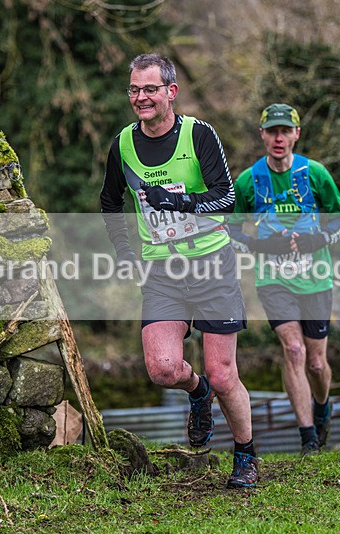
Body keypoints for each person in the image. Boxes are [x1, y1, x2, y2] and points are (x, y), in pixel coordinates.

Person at [100, 53, 257, 488]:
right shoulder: (123, 144)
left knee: (225, 374)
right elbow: (110, 202)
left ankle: (244, 456)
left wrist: (181, 201)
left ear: (171, 91)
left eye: (150, 89)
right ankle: (197, 392)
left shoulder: (199, 134)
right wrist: (125, 251)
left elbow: (226, 199)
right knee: (164, 369)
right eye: (134, 89)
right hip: (162, 270)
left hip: (211, 263)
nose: (141, 97)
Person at [230, 103, 340, 455]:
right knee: (293, 350)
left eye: (285, 131)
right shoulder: (249, 180)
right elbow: (230, 229)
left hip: (316, 278)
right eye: (272, 131)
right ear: (263, 135)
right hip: (273, 279)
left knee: (316, 362)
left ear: (297, 134)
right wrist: (258, 243)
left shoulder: (315, 173)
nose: (278, 137)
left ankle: (323, 405)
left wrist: (319, 238)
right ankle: (308, 437)